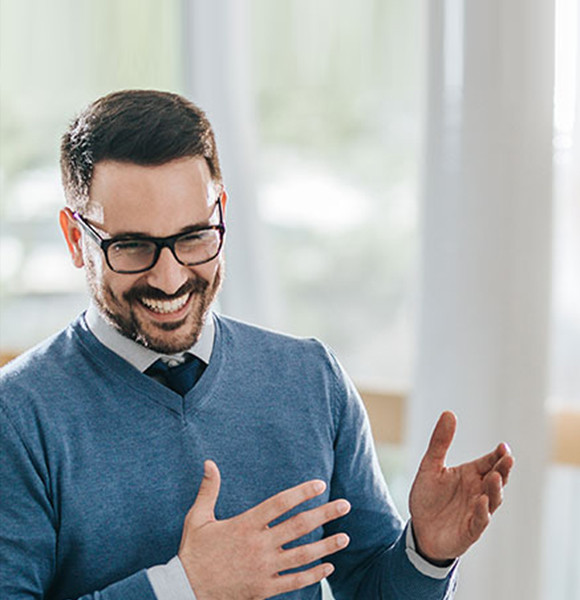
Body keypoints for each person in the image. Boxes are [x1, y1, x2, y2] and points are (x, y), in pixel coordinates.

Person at [0, 90, 514, 600]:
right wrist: (186, 586)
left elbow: (371, 590)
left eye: (194, 236)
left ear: (221, 212)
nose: (170, 276)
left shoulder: (312, 378)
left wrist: (426, 555)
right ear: (74, 239)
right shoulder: (18, 415)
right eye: (132, 246)